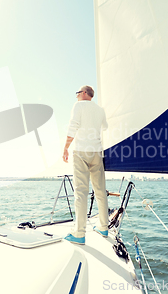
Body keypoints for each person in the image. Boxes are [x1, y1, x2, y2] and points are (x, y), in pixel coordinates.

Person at [62, 85, 108, 245]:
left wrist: (66, 147)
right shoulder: (100, 110)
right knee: (100, 191)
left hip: (81, 151)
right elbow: (105, 127)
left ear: (83, 93)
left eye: (77, 93)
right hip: (97, 152)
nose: (76, 96)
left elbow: (73, 126)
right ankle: (103, 227)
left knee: (81, 192)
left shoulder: (79, 105)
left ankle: (79, 234)